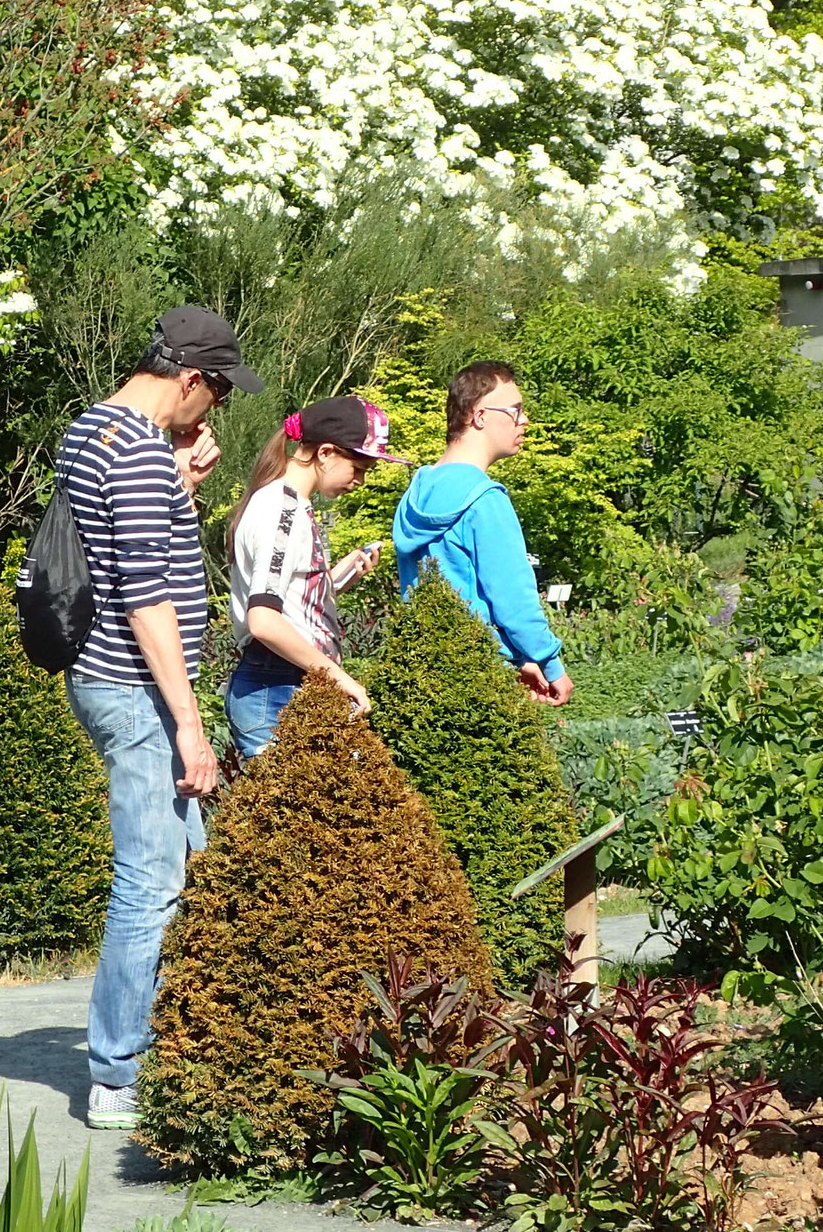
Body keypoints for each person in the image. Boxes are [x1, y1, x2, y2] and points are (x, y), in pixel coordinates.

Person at [56, 305, 262, 1131]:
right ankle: (118, 1074)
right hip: (140, 691)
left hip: (105, 678)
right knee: (152, 880)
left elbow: (115, 547)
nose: (213, 412)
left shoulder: (93, 431)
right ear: (189, 381)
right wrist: (189, 724)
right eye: (216, 395)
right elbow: (145, 599)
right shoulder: (139, 452)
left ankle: (174, 1041)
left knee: (189, 865)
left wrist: (184, 480)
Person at [224, 395, 410, 759]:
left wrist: (337, 578)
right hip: (276, 687)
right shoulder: (282, 510)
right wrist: (339, 677)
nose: (360, 480)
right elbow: (262, 620)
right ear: (326, 453)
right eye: (358, 466)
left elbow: (288, 600)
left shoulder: (288, 505)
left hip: (284, 682)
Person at [392, 361, 573, 706]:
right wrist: (550, 663)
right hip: (479, 678)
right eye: (516, 410)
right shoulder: (484, 500)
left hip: (420, 669)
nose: (525, 421)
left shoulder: (416, 492)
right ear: (479, 416)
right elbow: (513, 598)